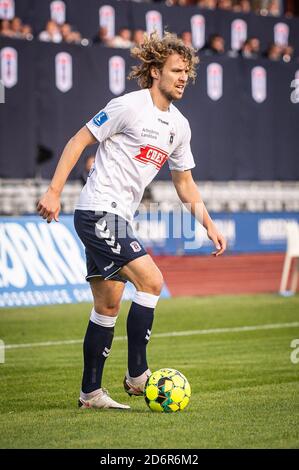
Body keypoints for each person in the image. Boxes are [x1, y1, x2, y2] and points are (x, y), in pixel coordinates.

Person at [37, 32, 226, 410]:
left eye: (187, 71)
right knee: (152, 280)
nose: (183, 77)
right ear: (155, 71)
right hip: (97, 211)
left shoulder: (180, 126)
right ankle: (138, 374)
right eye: (176, 70)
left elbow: (184, 183)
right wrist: (54, 191)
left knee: (108, 305)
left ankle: (90, 393)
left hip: (118, 215)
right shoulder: (128, 106)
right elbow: (78, 140)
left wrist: (208, 223)